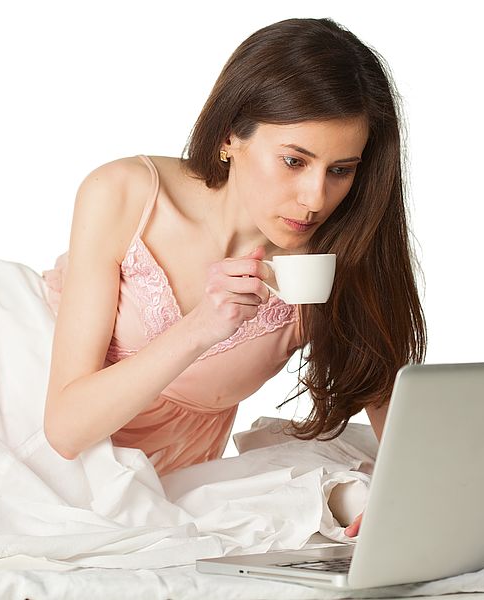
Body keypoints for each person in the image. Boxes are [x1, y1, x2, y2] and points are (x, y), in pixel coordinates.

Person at [40, 17, 427, 538]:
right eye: (294, 161)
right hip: (24, 402)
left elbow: (400, 439)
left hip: (166, 476)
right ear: (230, 136)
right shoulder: (127, 194)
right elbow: (65, 430)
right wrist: (201, 327)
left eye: (341, 170)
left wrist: (397, 503)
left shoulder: (333, 263)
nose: (315, 198)